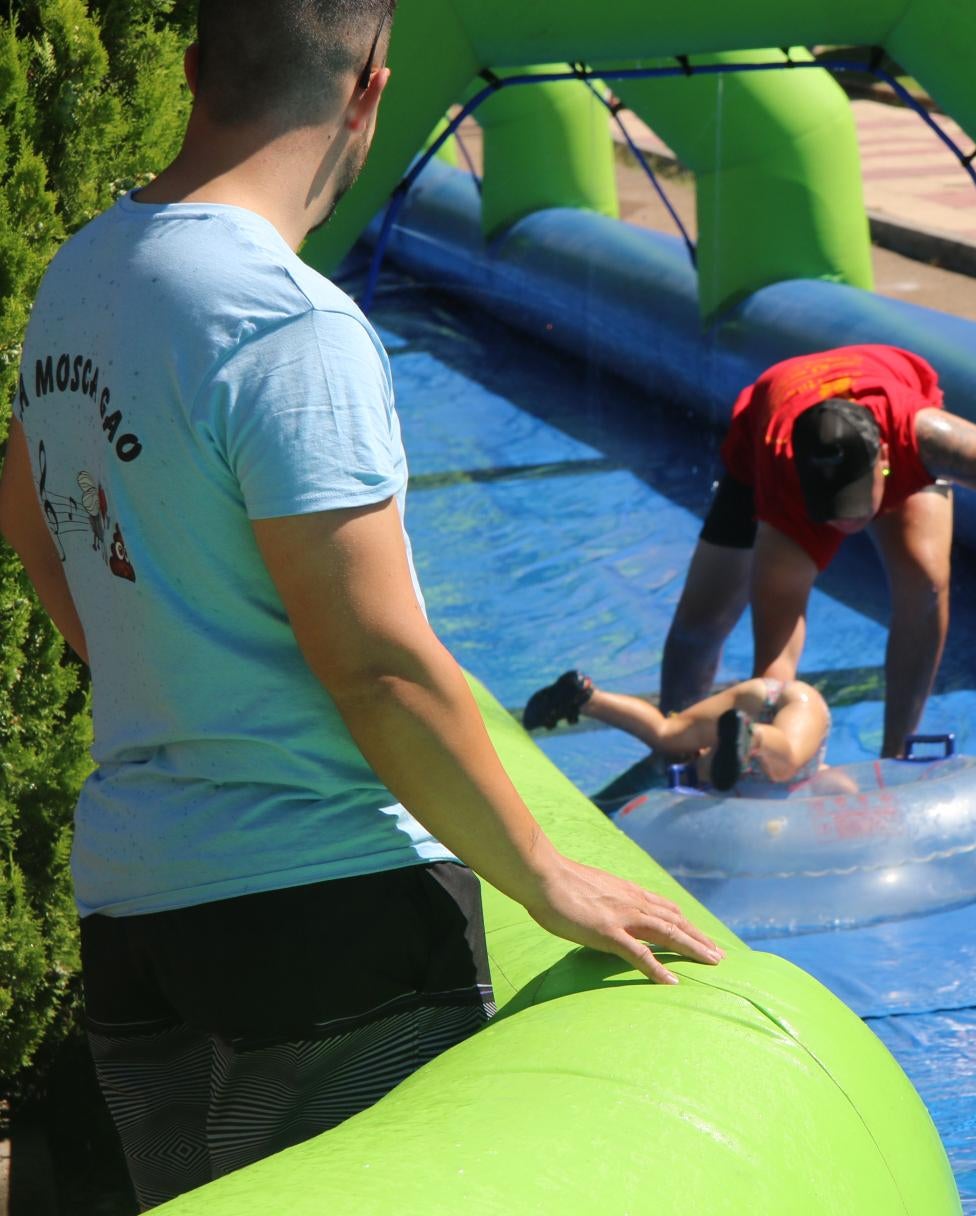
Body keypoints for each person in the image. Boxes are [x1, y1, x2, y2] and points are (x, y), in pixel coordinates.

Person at [0, 2, 719, 1205]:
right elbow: (378, 663)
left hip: (135, 907)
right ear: (370, 92)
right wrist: (545, 871)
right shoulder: (284, 322)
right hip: (327, 920)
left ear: (191, 70)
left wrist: (154, 663)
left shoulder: (85, 272)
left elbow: (29, 513)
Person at [661, 344, 976, 763]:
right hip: (773, 437)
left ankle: (897, 751)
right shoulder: (783, 475)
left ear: (885, 457)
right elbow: (774, 670)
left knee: (925, 584)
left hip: (884, 413)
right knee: (702, 624)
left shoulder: (922, 437)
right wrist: (770, 743)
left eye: (857, 508)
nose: (849, 526)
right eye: (833, 514)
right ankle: (674, 738)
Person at [524, 670, 831, 790]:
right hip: (797, 704)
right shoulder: (812, 776)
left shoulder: (718, 763)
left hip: (763, 693)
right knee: (786, 761)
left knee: (668, 733)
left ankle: (585, 696)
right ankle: (754, 736)